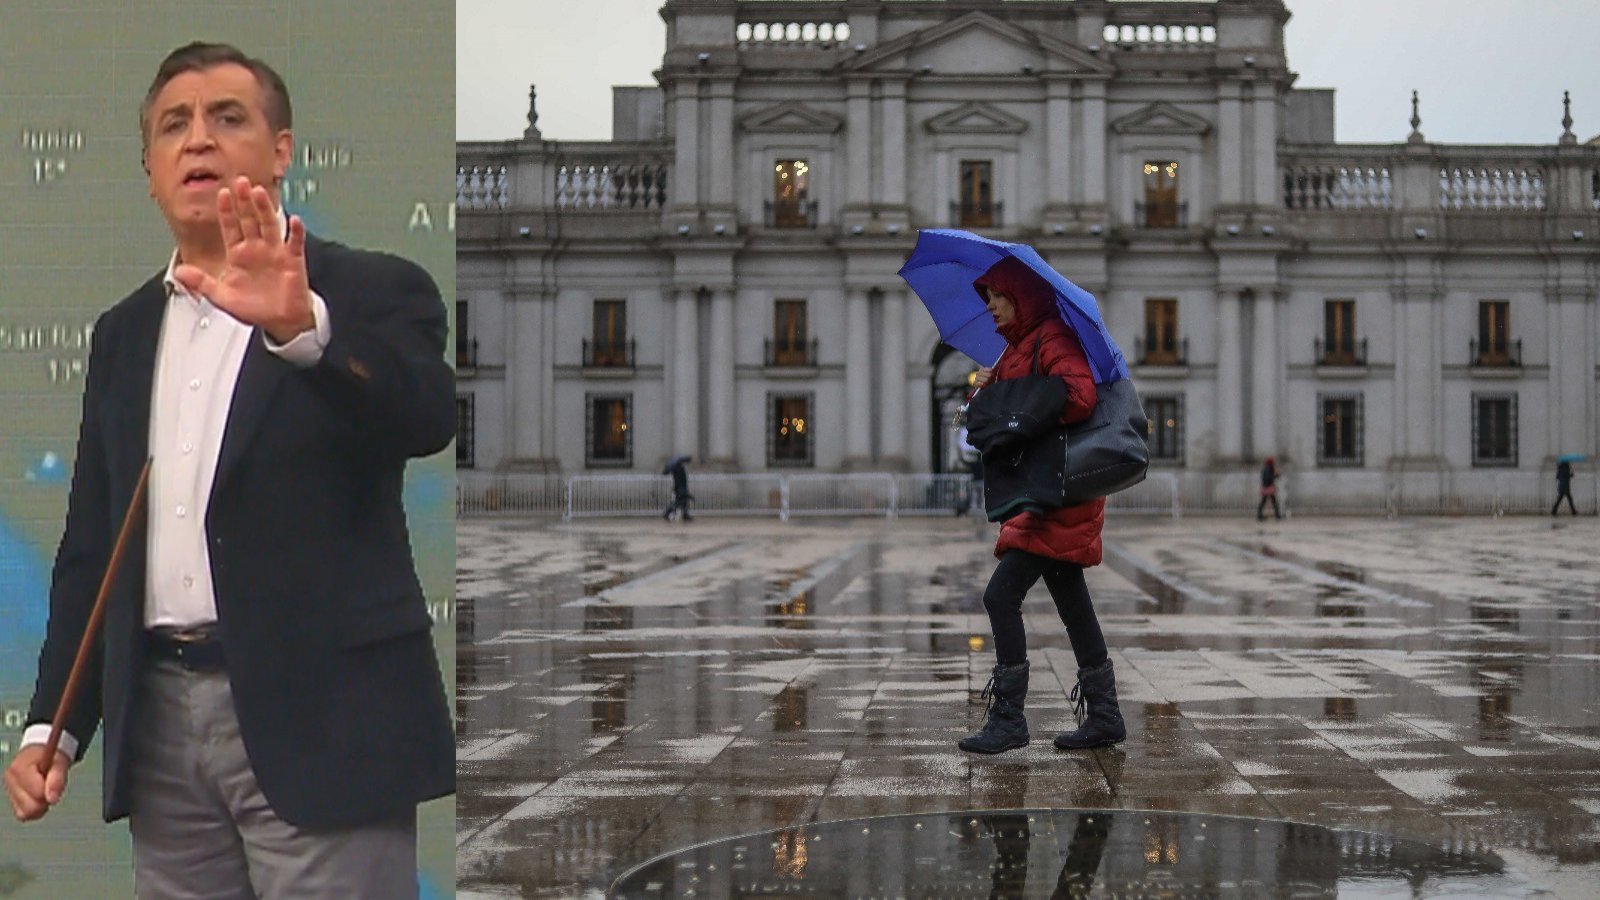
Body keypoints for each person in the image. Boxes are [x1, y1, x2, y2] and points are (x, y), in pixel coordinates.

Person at [2, 43, 454, 898]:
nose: (198, 139)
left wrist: (303, 331)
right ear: (151, 172)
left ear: (281, 151)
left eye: (228, 118)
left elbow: (426, 417)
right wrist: (51, 731)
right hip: (162, 729)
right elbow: (96, 544)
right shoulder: (123, 333)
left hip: (325, 722)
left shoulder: (366, 290)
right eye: (175, 125)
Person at [957, 256, 1125, 755]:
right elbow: (1008, 414)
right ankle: (1105, 716)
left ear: (1020, 296)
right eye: (986, 297)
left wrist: (1017, 394)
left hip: (1055, 495)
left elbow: (1077, 396)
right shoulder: (1018, 349)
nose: (989, 306)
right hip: (1044, 492)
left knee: (999, 597)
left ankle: (1010, 719)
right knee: (1073, 603)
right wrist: (993, 388)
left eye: (996, 296)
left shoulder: (1051, 338)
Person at [662, 454, 693, 521]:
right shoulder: (677, 469)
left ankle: (685, 514)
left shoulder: (678, 468)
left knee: (684, 502)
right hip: (680, 488)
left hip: (681, 487)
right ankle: (667, 512)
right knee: (678, 502)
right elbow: (680, 480)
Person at [1257, 456, 1282, 521]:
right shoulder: (1268, 468)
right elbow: (1269, 478)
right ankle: (1277, 515)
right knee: (1272, 501)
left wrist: (1275, 475)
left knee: (1264, 501)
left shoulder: (1266, 468)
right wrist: (1275, 475)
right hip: (1268, 488)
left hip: (1266, 487)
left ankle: (1260, 515)